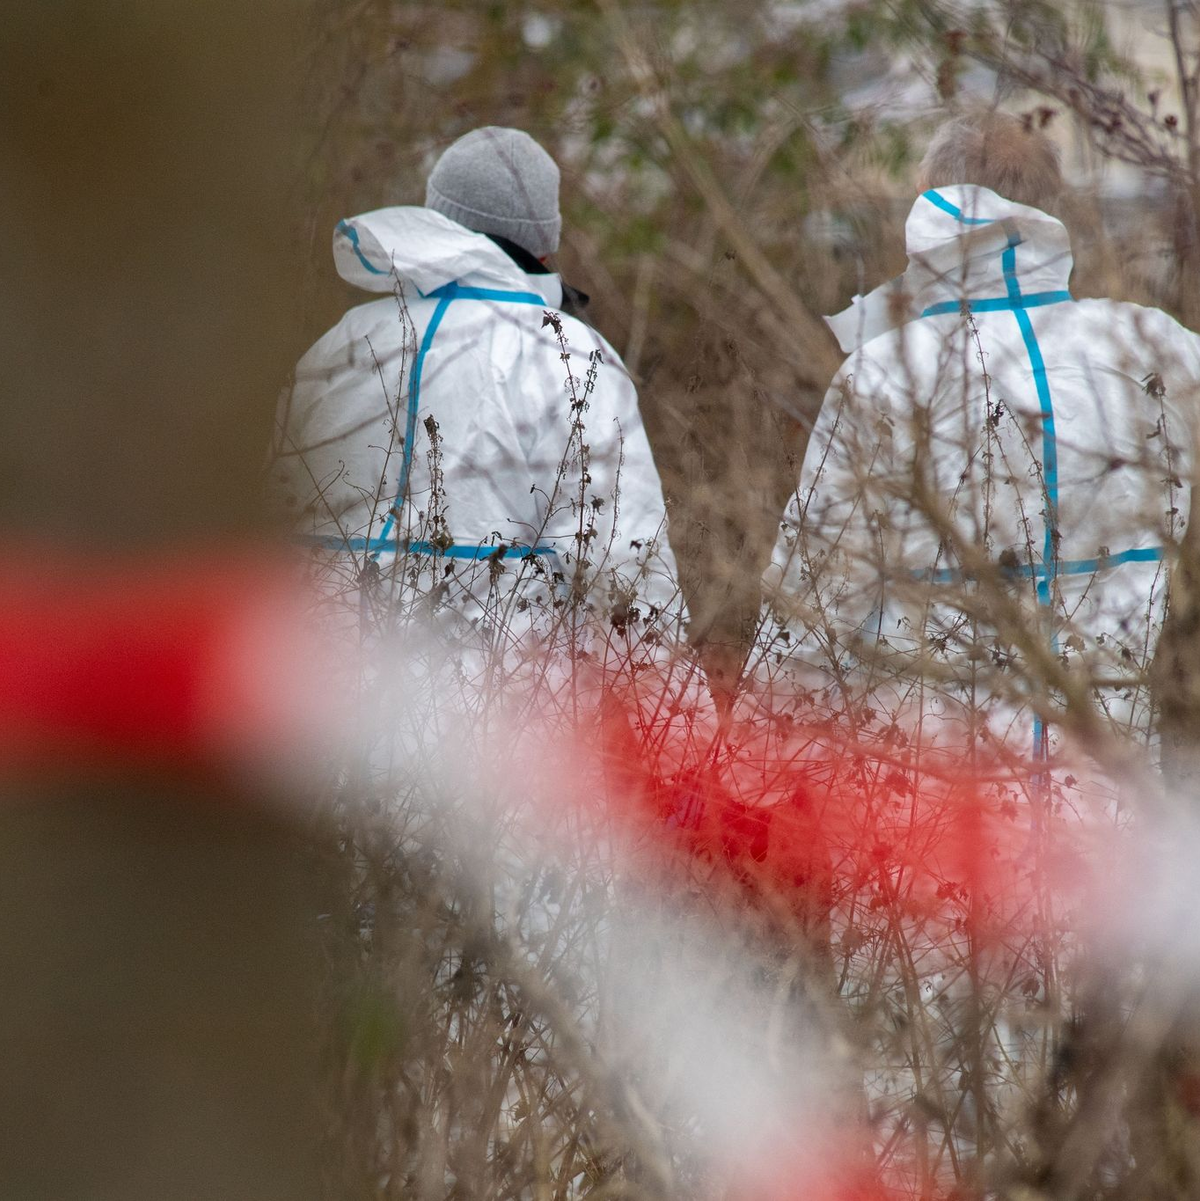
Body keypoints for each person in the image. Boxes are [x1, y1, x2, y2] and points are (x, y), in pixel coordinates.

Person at [751, 110, 1200, 798]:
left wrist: (753, 783)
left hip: (932, 824)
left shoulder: (886, 373)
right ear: (1053, 211)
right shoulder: (1156, 351)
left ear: (931, 203)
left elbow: (809, 613)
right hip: (1111, 812)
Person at [270, 126, 708, 753]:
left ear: (437, 215)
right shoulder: (567, 353)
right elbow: (626, 571)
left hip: (323, 723)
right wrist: (680, 743)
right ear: (546, 239)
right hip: (505, 750)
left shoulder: (342, 343)